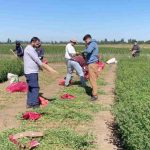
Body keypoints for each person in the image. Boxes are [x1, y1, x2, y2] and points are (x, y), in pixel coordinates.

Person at [23, 37, 58, 108]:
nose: (38, 45)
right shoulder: (30, 49)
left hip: (29, 71)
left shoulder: (31, 49)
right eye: (37, 43)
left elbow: (37, 60)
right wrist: (50, 69)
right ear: (32, 42)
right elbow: (38, 61)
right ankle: (35, 105)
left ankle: (29, 103)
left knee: (31, 88)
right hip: (31, 72)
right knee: (35, 88)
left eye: (39, 43)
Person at [83, 34, 99, 101]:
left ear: (88, 39)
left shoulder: (92, 43)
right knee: (93, 79)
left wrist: (83, 50)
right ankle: (94, 92)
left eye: (85, 41)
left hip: (92, 64)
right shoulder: (93, 43)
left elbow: (88, 51)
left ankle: (94, 95)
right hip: (93, 64)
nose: (85, 42)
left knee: (92, 79)